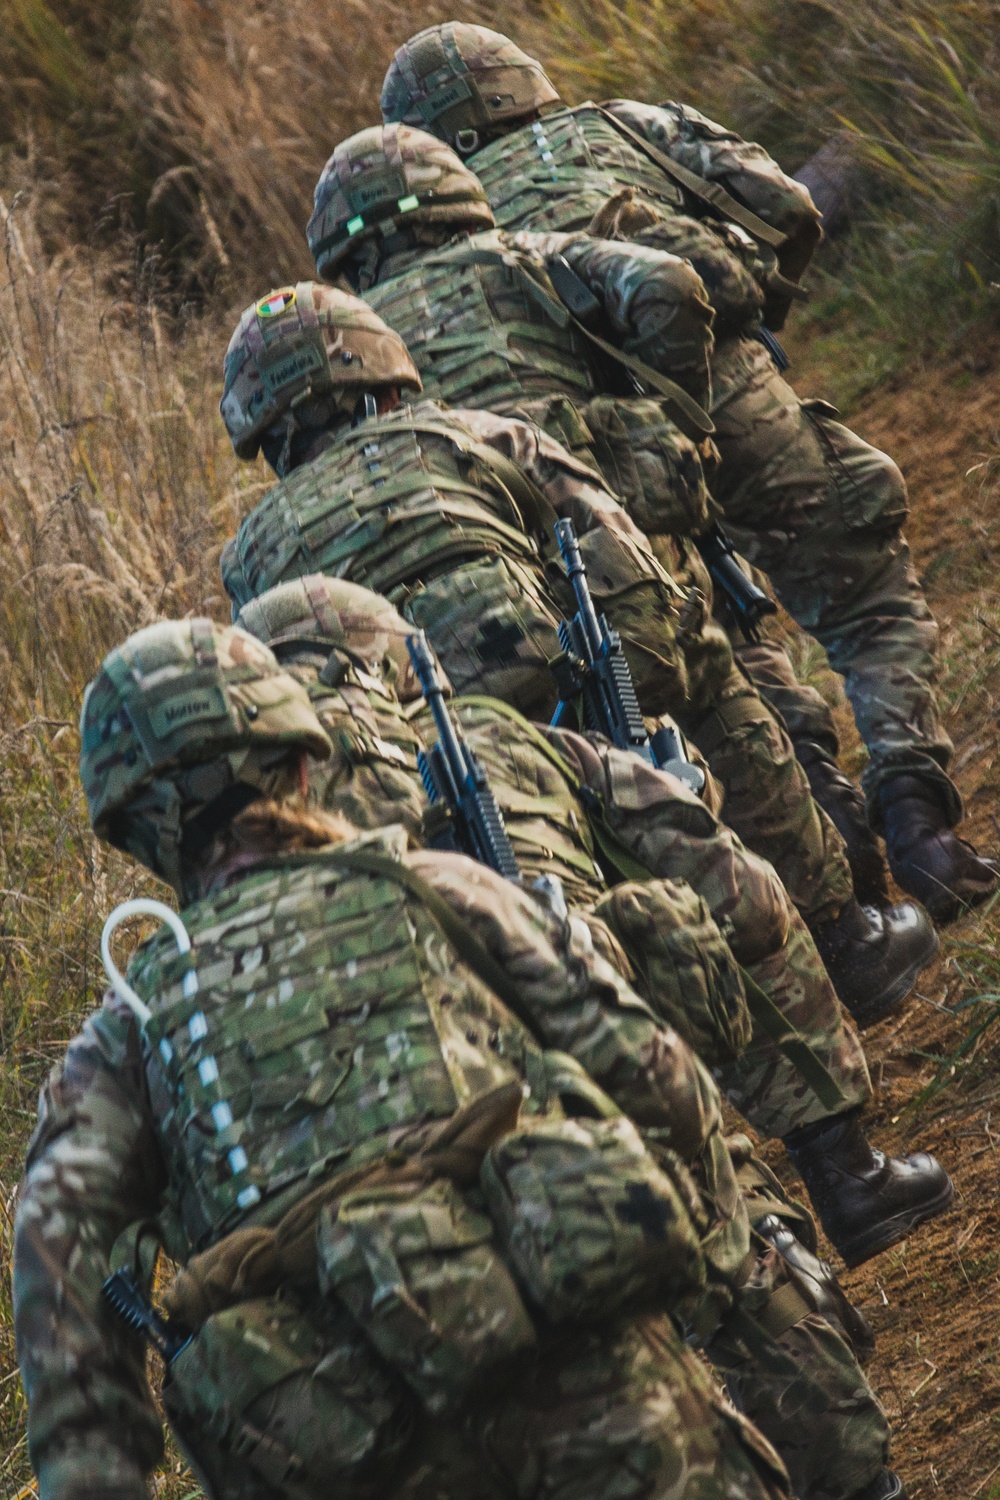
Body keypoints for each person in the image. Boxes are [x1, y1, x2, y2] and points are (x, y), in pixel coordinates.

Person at [11, 617, 903, 1500]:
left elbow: (61, 1296)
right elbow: (657, 1077)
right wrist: (690, 1272)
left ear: (135, 831)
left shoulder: (122, 1041)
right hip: (616, 1424)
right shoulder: (445, 891)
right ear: (301, 761)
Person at [378, 23, 999, 924]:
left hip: (592, 464)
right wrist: (749, 333)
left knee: (713, 647)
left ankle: (828, 828)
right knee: (864, 595)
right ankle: (917, 817)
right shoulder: (623, 125)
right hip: (731, 390)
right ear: (522, 83)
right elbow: (786, 208)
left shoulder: (436, 239)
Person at [225, 270, 936, 1023]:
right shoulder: (476, 435)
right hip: (564, 700)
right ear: (383, 373)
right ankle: (845, 937)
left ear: (265, 435)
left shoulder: (249, 558)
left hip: (432, 770)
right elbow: (629, 564)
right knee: (711, 678)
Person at [234, 572, 954, 1278]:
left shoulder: (251, 859)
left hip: (429, 1202)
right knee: (689, 907)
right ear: (390, 662)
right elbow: (727, 880)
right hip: (596, 1030)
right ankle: (838, 1178)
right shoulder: (488, 732)